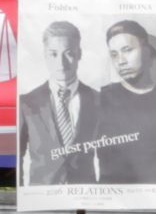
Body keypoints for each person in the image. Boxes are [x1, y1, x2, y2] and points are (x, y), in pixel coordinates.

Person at [19, 19, 104, 187]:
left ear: (79, 54)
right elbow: (16, 156)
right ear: (45, 55)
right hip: (41, 200)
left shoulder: (100, 101)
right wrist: (22, 195)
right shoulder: (26, 103)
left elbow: (111, 155)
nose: (61, 63)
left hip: (85, 199)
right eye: (53, 54)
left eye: (69, 53)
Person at [94, 18, 156, 185]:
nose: (120, 61)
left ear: (147, 51)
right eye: (114, 54)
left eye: (127, 50)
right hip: (111, 203)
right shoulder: (99, 99)